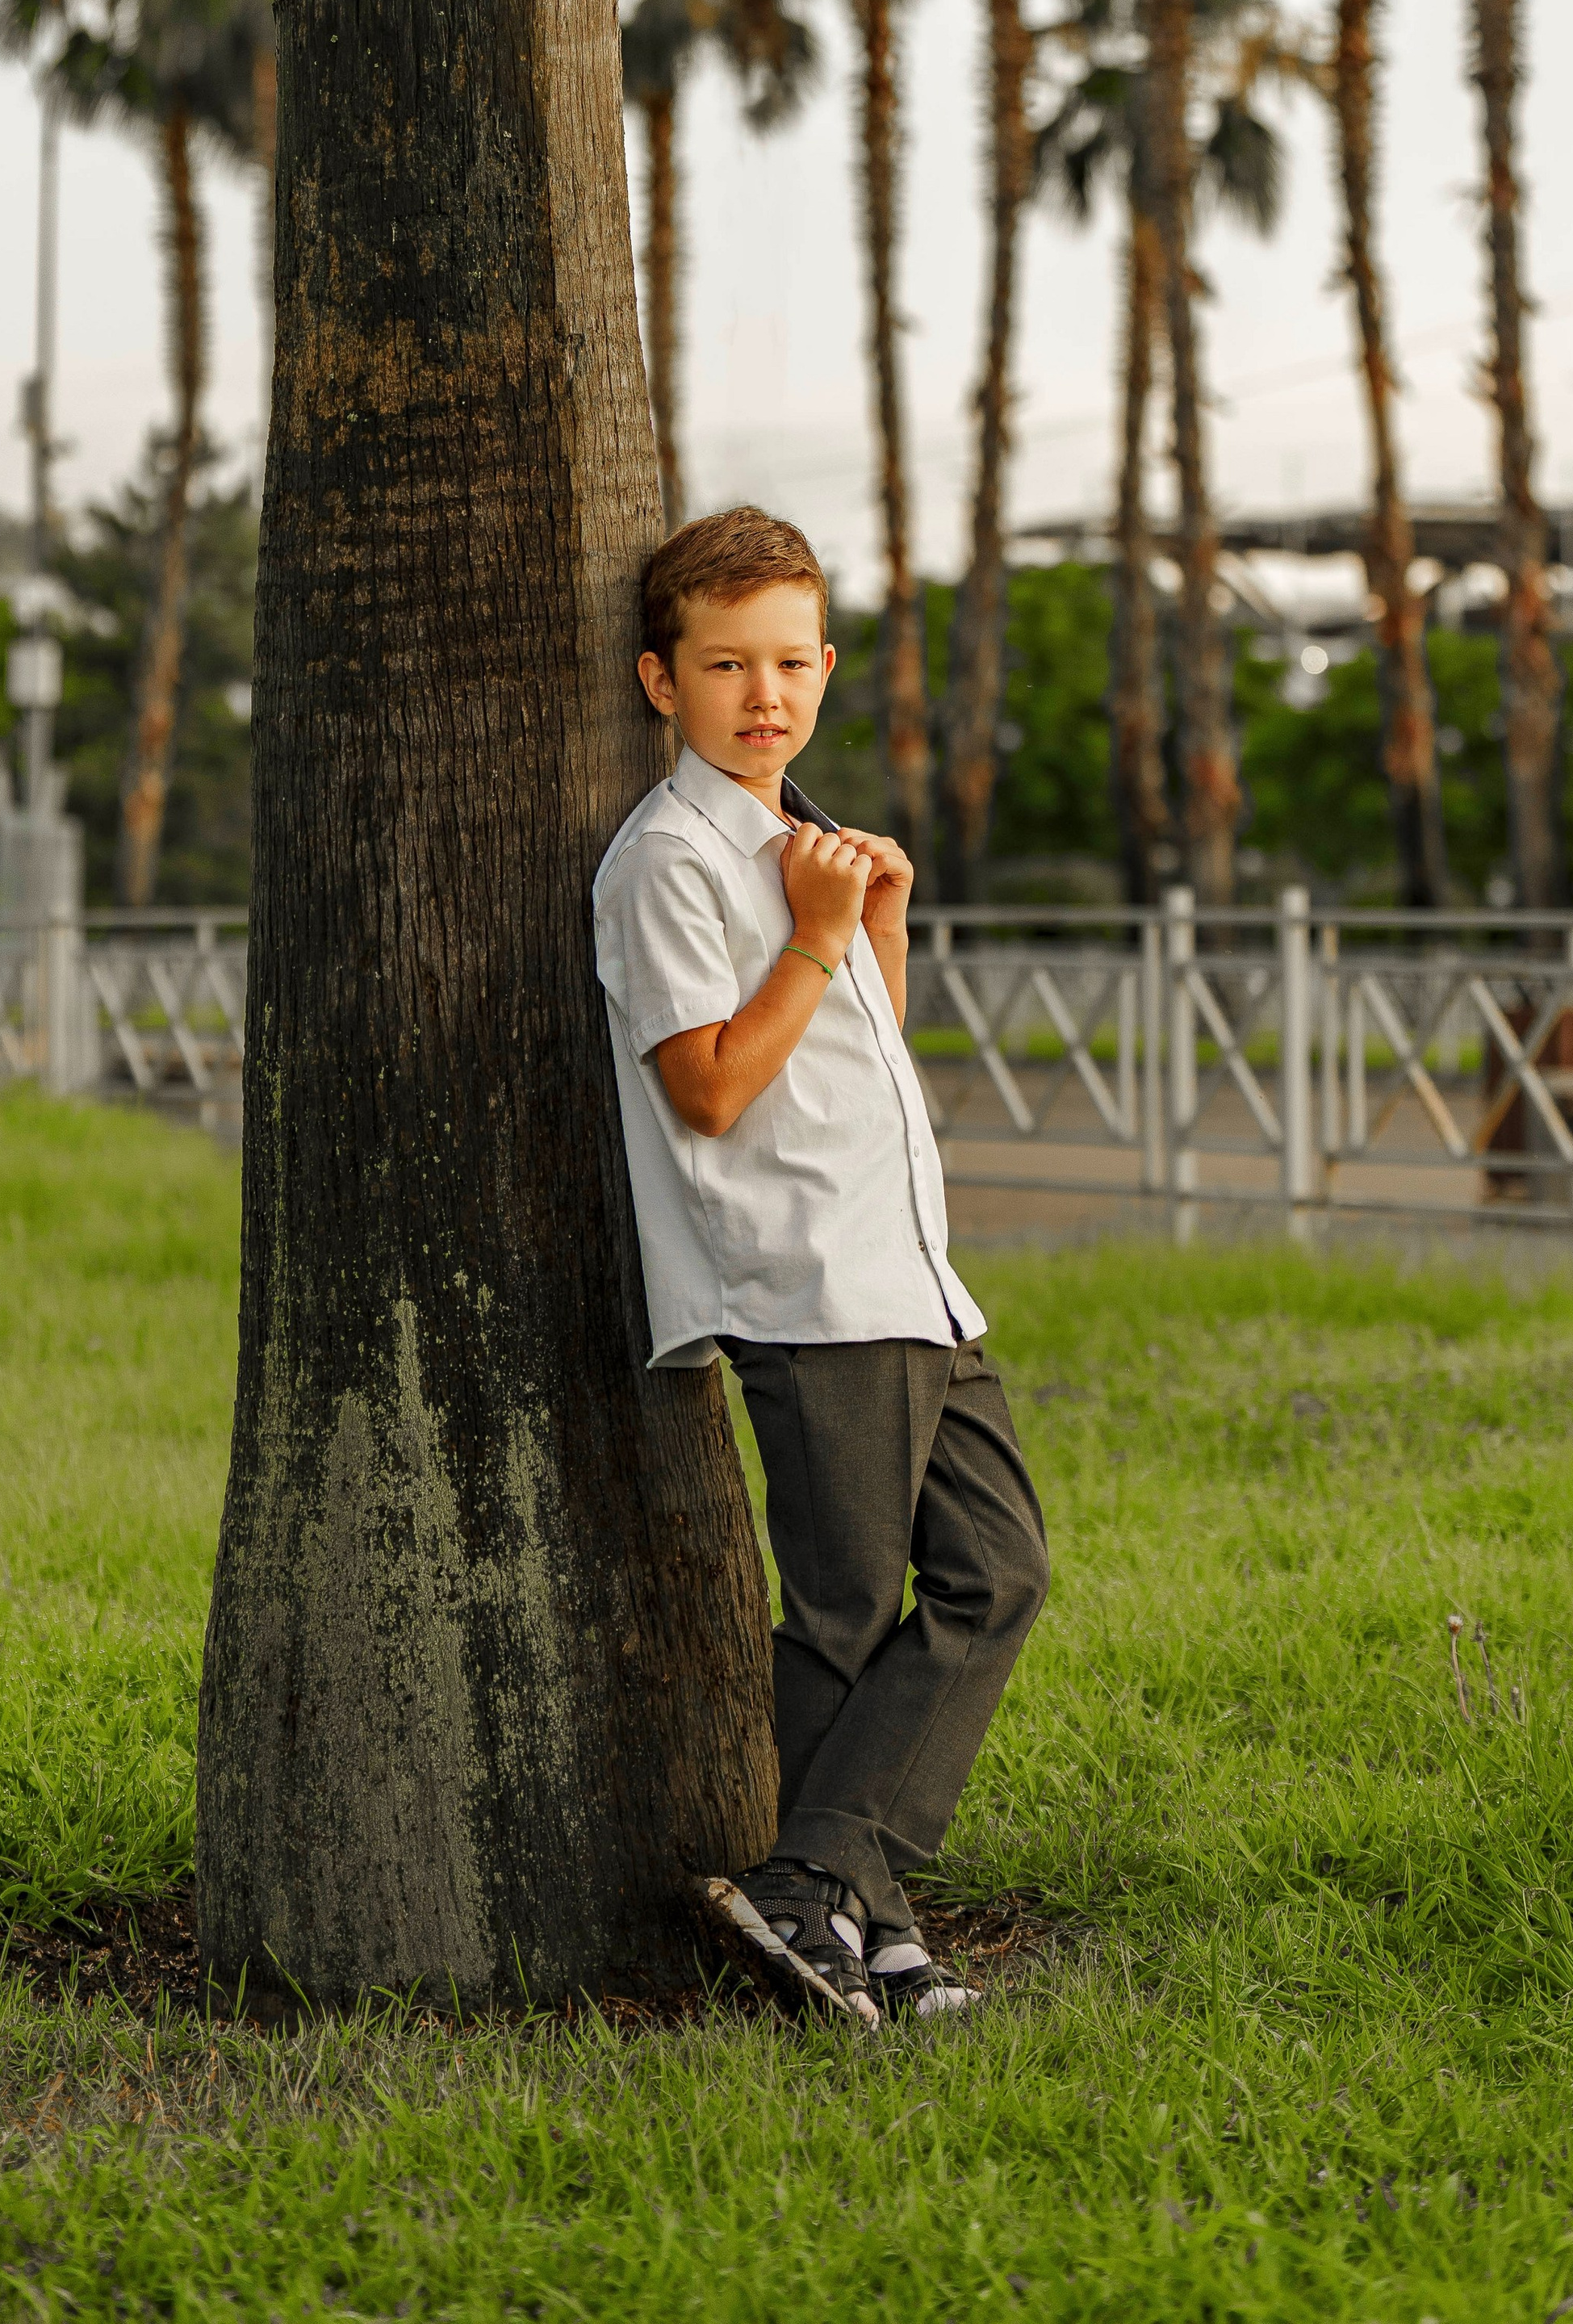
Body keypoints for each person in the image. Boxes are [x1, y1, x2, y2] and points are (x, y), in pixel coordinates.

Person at [592, 505, 1050, 2025]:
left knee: (998, 1572)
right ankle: (833, 1912)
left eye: (790, 661)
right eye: (727, 663)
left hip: (910, 1276)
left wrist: (876, 924)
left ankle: (842, 1901)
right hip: (808, 1281)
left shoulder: (810, 847)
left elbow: (859, 1062)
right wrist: (814, 930)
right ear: (663, 680)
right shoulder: (668, 861)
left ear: (828, 667)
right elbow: (713, 1089)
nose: (764, 694)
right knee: (848, 1612)